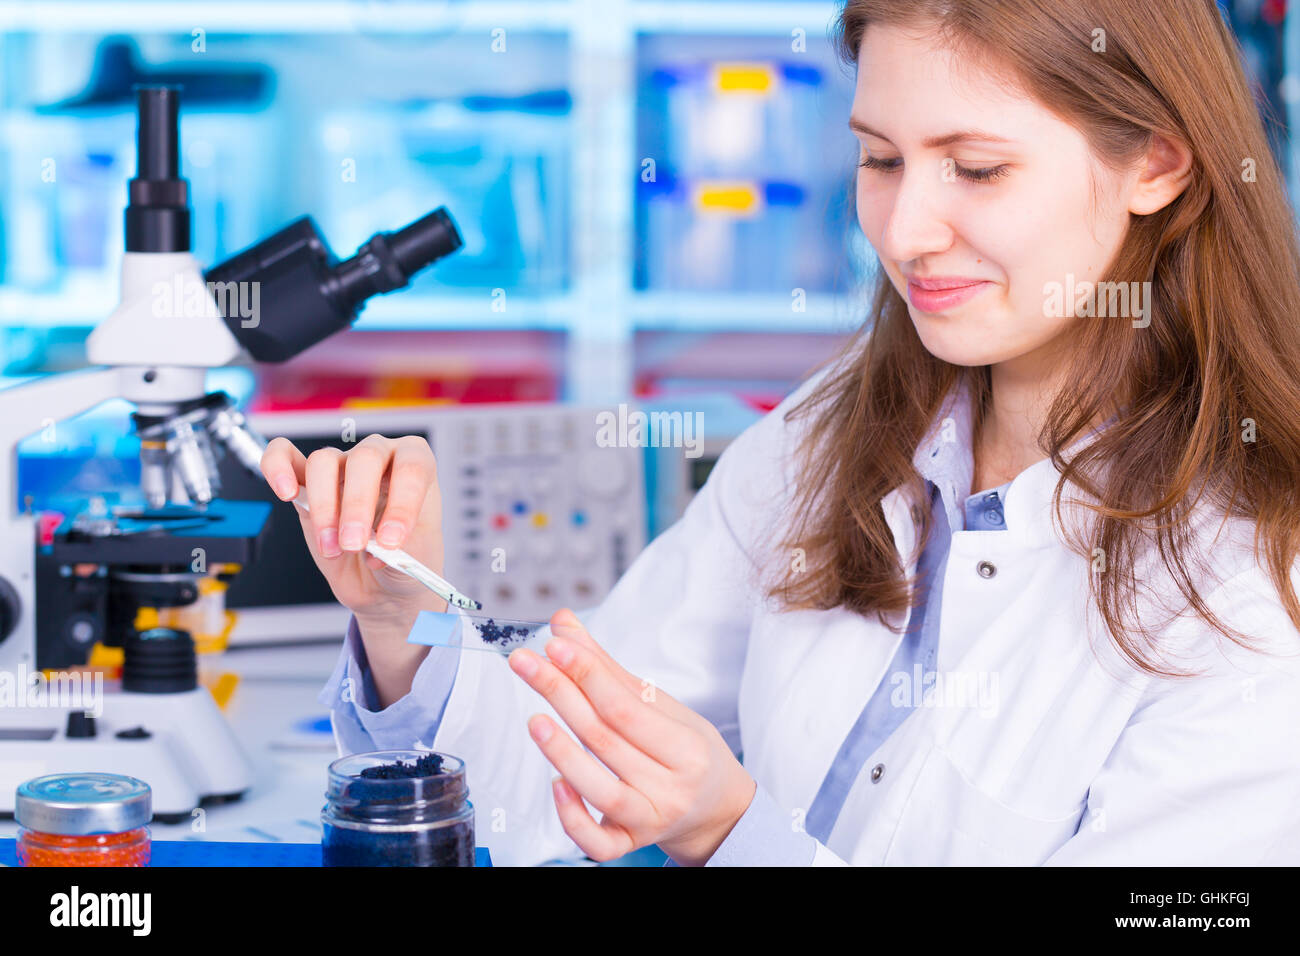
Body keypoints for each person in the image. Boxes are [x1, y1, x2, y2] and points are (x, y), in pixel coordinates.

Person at [260, 0, 1300, 866]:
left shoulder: (1255, 575)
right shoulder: (837, 427)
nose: (902, 231)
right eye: (880, 159)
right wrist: (406, 621)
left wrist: (729, 831)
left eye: (976, 168)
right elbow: (565, 762)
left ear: (1157, 164)